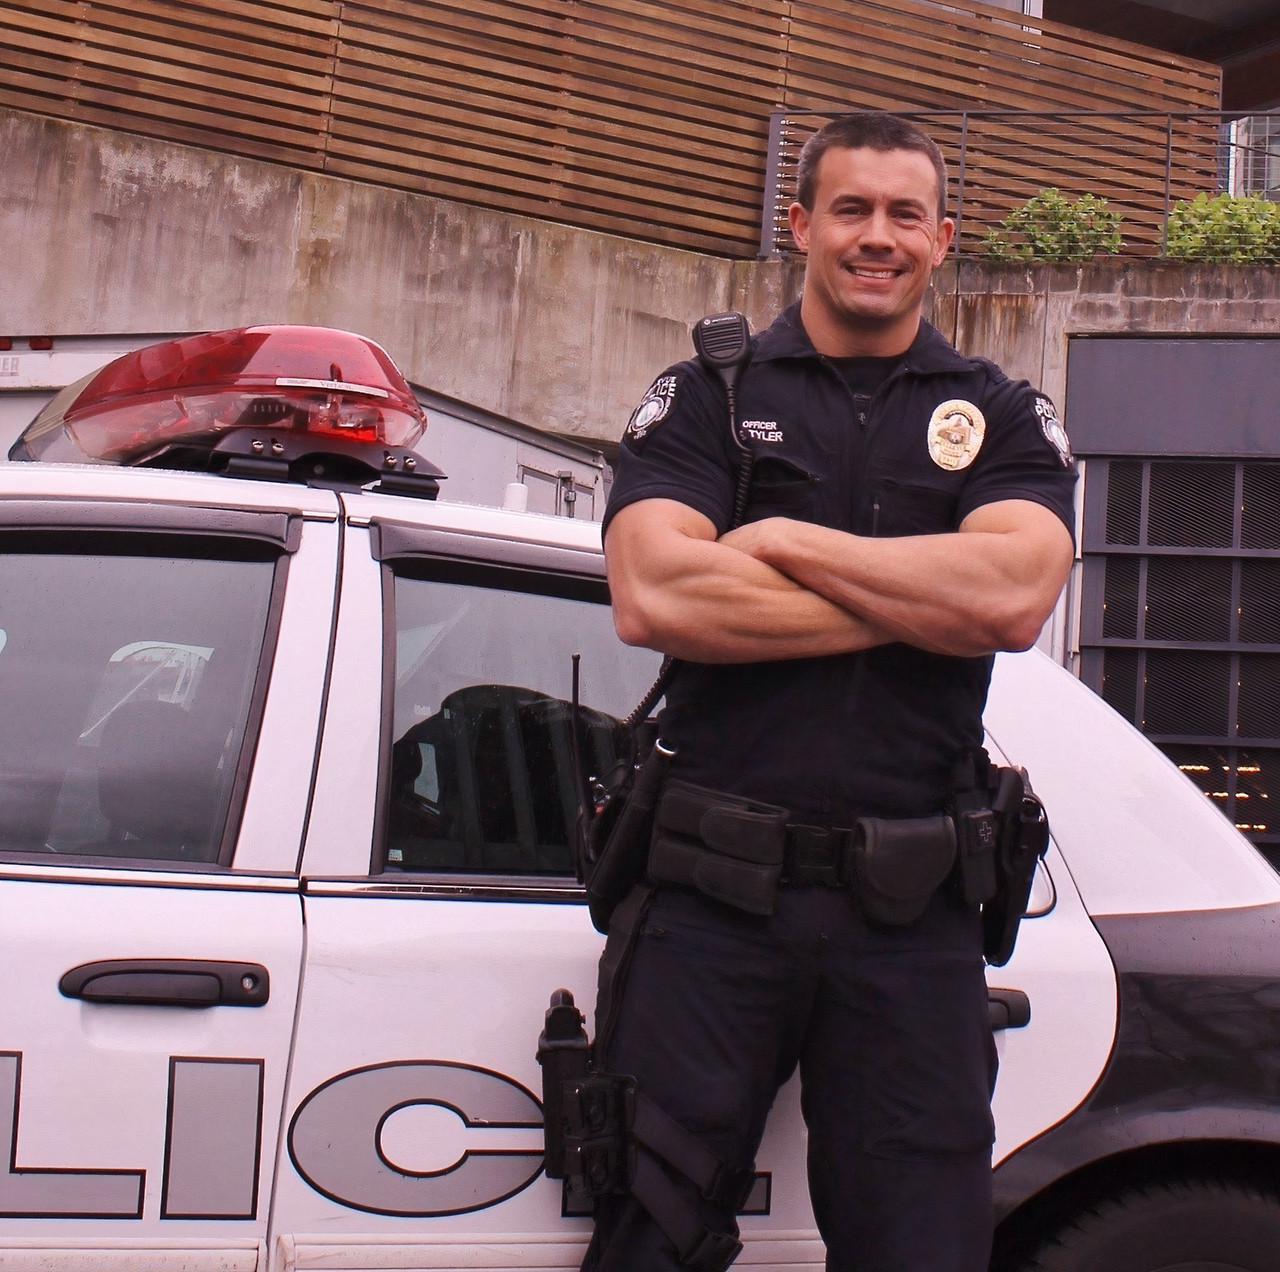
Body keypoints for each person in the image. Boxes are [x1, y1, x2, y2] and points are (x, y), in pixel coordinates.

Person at [586, 112, 1077, 1272]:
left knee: (922, 1252)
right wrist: (920, 599)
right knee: (647, 1239)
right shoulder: (706, 394)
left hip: (911, 926)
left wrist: (776, 538)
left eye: (904, 214)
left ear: (941, 238)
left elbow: (1010, 599)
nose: (876, 236)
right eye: (850, 209)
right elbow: (657, 596)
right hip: (710, 911)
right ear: (799, 224)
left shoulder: (1000, 414)